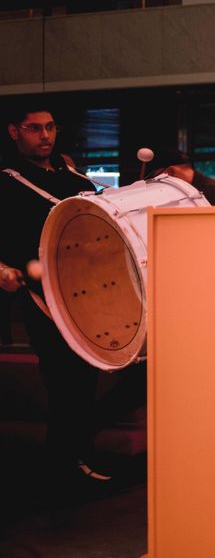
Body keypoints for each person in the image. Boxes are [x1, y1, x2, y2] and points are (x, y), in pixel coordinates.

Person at [1, 105, 122, 487]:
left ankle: (75, 455)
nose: (45, 135)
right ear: (14, 132)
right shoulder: (7, 181)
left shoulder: (72, 178)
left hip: (87, 294)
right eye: (34, 128)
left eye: (50, 127)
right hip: (40, 296)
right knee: (63, 379)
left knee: (85, 378)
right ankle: (64, 465)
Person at [151, 148, 215, 205]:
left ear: (171, 172)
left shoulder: (213, 191)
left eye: (158, 178)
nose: (157, 183)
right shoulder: (207, 188)